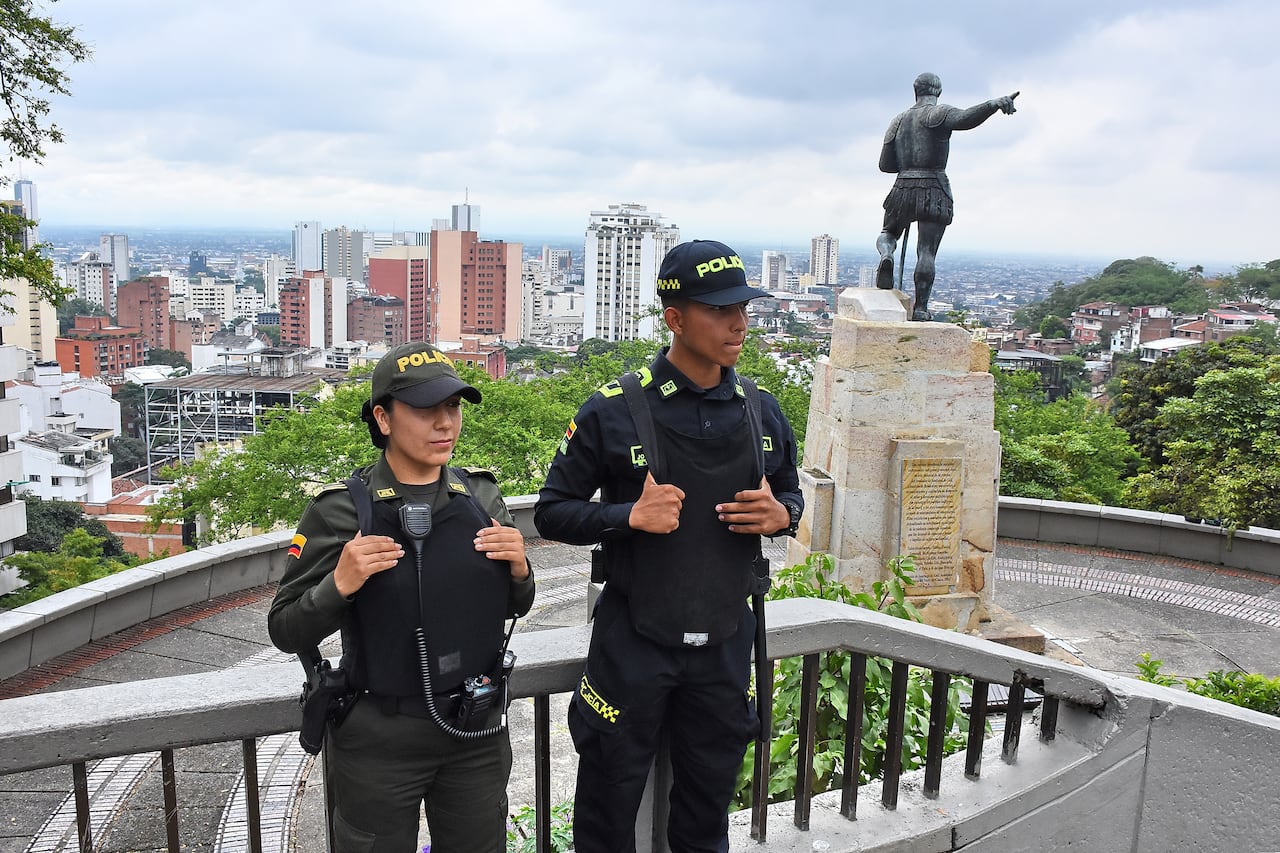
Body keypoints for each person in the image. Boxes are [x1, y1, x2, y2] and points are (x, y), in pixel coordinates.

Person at [535, 239, 804, 853]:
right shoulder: (614, 411)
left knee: (707, 814)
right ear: (675, 318)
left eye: (743, 307)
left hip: (726, 643)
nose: (738, 323)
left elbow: (791, 494)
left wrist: (781, 513)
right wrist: (630, 515)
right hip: (634, 642)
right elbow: (551, 512)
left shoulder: (761, 413)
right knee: (606, 812)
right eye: (718, 310)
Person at [268, 341, 535, 853]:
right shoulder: (342, 511)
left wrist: (520, 569)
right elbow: (284, 629)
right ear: (383, 419)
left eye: (453, 407)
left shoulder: (479, 498)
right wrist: (339, 583)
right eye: (424, 409)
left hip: (473, 733)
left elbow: (512, 606)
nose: (445, 424)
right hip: (378, 742)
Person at [875, 72, 1018, 320]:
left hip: (902, 187)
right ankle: (920, 309)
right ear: (938, 91)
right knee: (926, 251)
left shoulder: (897, 121)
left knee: (888, 232)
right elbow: (965, 119)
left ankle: (887, 254)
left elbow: (886, 165)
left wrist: (907, 160)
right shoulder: (937, 114)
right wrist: (993, 104)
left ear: (915, 91)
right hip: (934, 187)